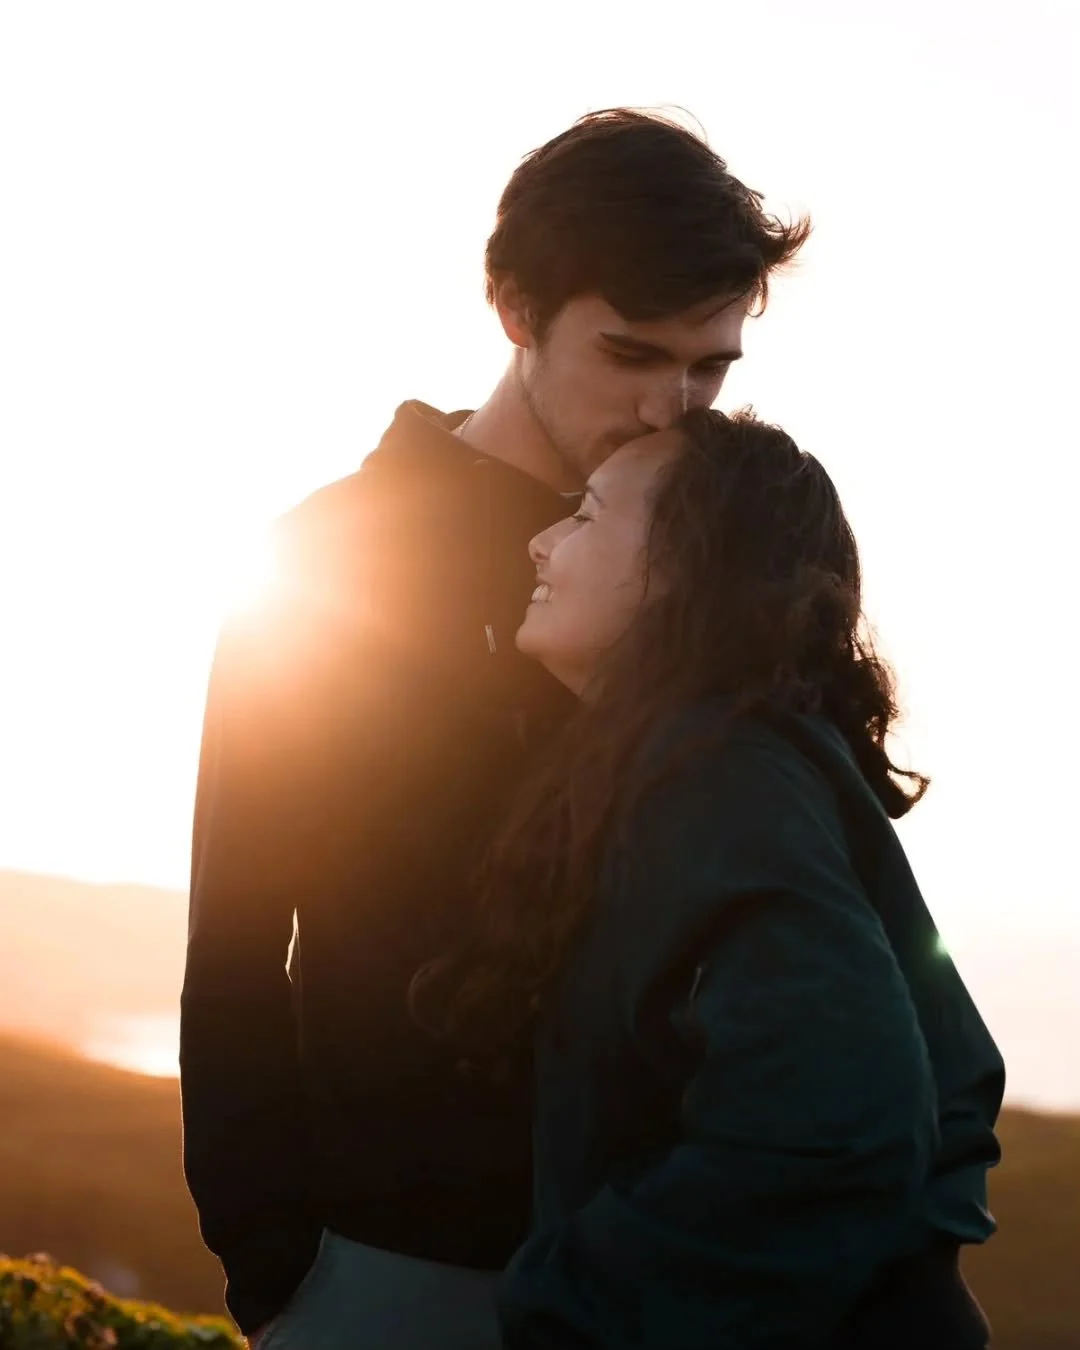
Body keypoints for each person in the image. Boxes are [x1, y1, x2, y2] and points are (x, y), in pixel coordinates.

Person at [179, 110, 809, 1349]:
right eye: (631, 355)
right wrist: (277, 1272)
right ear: (514, 307)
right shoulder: (330, 556)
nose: (670, 408)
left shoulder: (703, 565)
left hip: (657, 1266)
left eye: (711, 367)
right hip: (391, 1262)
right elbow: (238, 937)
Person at [412, 408, 1005, 1349]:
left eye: (588, 515)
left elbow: (848, 1125)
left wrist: (569, 1303)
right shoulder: (742, 760)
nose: (539, 541)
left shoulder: (718, 776)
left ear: (682, 566)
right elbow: (953, 1080)